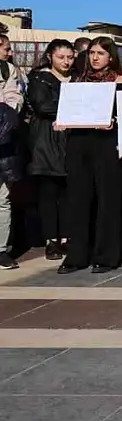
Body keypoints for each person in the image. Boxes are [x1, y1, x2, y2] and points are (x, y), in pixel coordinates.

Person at [57, 37, 122, 274]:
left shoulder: (120, 81)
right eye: (91, 53)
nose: (95, 57)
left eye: (100, 53)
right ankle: (77, 256)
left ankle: (105, 256)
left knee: (107, 201)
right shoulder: (78, 81)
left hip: (107, 146)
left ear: (111, 56)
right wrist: (62, 121)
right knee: (78, 200)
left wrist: (114, 122)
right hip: (79, 145)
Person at [27, 39, 75, 261]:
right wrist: (73, 108)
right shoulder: (40, 79)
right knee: (48, 193)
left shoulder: (77, 78)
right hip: (46, 141)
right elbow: (42, 105)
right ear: (50, 57)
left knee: (68, 193)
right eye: (61, 57)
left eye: (69, 57)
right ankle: (50, 240)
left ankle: (66, 236)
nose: (66, 62)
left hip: (70, 140)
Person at [0, 34, 26, 270]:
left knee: (2, 199)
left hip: (2, 142)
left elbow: (14, 99)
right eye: (6, 48)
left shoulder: (8, 71)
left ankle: (0, 249)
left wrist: (5, 113)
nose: (9, 53)